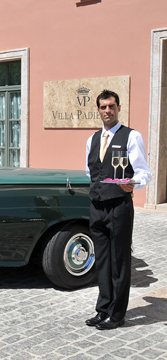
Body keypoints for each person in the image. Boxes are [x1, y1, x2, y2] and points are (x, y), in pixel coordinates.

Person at [84, 90, 152, 330]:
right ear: (98, 110)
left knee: (119, 261)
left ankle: (117, 314)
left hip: (119, 206)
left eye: (111, 106)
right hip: (97, 206)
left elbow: (144, 172)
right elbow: (90, 172)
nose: (107, 111)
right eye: (103, 107)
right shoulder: (92, 139)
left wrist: (132, 183)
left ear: (119, 108)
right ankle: (103, 309)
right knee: (101, 261)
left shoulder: (132, 137)